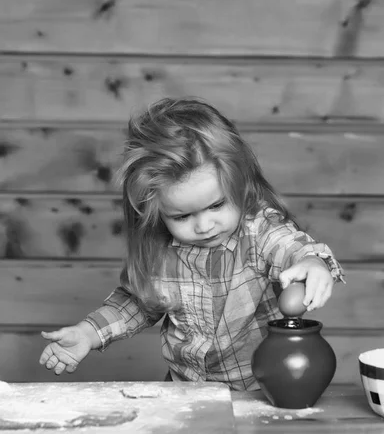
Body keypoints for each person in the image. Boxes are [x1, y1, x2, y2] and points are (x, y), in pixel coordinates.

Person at [40, 97, 344, 390]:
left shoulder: (258, 231)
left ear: (240, 185)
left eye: (216, 205)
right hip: (183, 389)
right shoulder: (161, 253)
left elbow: (289, 246)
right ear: (156, 213)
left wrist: (312, 263)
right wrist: (88, 333)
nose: (203, 225)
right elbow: (136, 303)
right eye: (182, 216)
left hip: (256, 391)